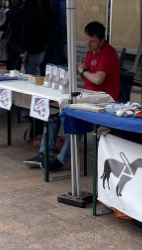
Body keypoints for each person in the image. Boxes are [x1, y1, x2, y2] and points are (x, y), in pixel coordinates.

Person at [27, 21, 121, 172]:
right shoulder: (91, 52)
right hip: (87, 95)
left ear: (102, 40)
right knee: (55, 111)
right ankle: (46, 152)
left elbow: (98, 79)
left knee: (75, 117)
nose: (88, 44)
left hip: (104, 99)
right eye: (86, 40)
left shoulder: (108, 53)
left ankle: (61, 159)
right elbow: (89, 76)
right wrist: (80, 70)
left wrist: (83, 71)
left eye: (93, 41)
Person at [18, 0, 49, 75]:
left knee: (31, 75)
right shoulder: (42, 19)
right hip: (40, 52)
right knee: (36, 72)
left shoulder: (30, 21)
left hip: (32, 53)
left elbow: (29, 40)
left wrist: (25, 55)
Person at [0, 0, 24, 69]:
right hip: (8, 43)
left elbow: (21, 28)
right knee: (8, 65)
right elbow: (2, 28)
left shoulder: (22, 12)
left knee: (14, 67)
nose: (14, 1)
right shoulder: (8, 13)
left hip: (17, 43)